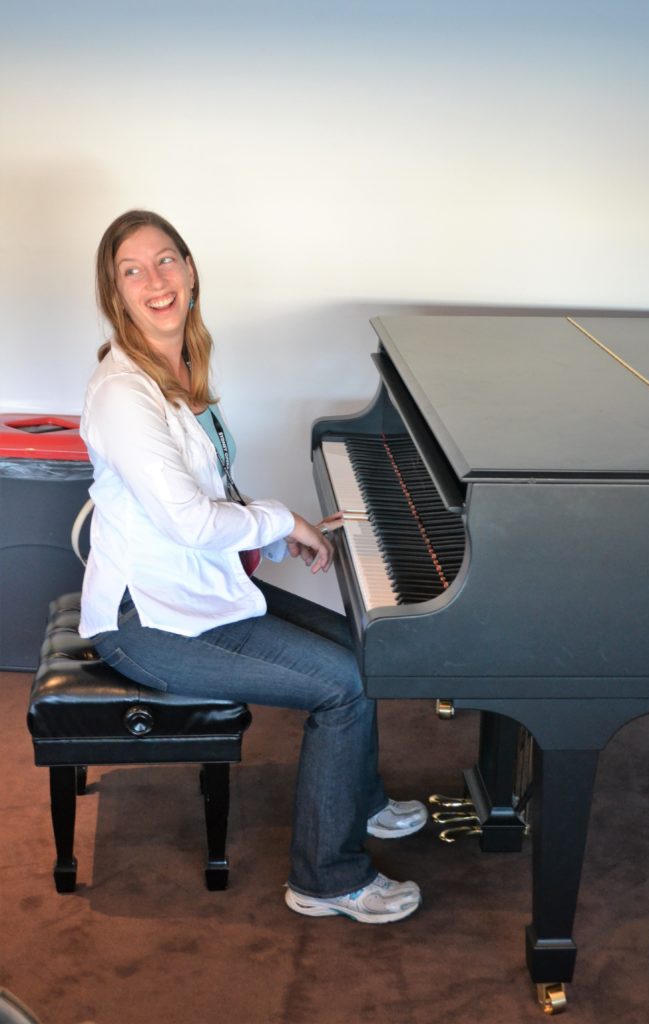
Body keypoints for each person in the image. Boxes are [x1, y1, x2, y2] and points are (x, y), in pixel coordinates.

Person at [79, 209, 427, 924]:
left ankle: (355, 800)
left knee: (360, 644)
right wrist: (282, 519)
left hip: (200, 590)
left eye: (167, 259)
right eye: (133, 270)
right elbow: (186, 521)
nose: (156, 280)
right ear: (115, 294)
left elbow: (201, 499)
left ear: (191, 269)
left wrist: (272, 541)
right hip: (147, 619)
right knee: (344, 687)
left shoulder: (176, 368)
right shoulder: (124, 393)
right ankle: (326, 880)